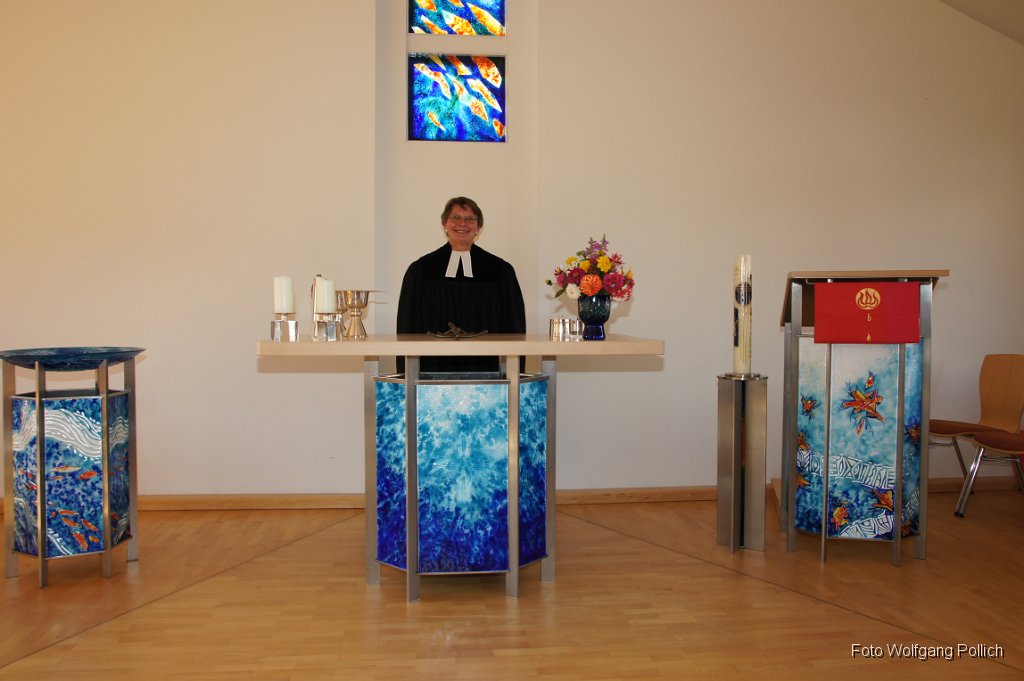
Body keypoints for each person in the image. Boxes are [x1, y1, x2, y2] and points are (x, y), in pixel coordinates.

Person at [397, 196, 526, 374]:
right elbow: (407, 323)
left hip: (487, 366)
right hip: (432, 366)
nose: (462, 224)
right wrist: (405, 372)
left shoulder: (499, 271)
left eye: (470, 219)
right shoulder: (421, 270)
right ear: (444, 223)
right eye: (455, 218)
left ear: (478, 227)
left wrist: (515, 372)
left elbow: (515, 324)